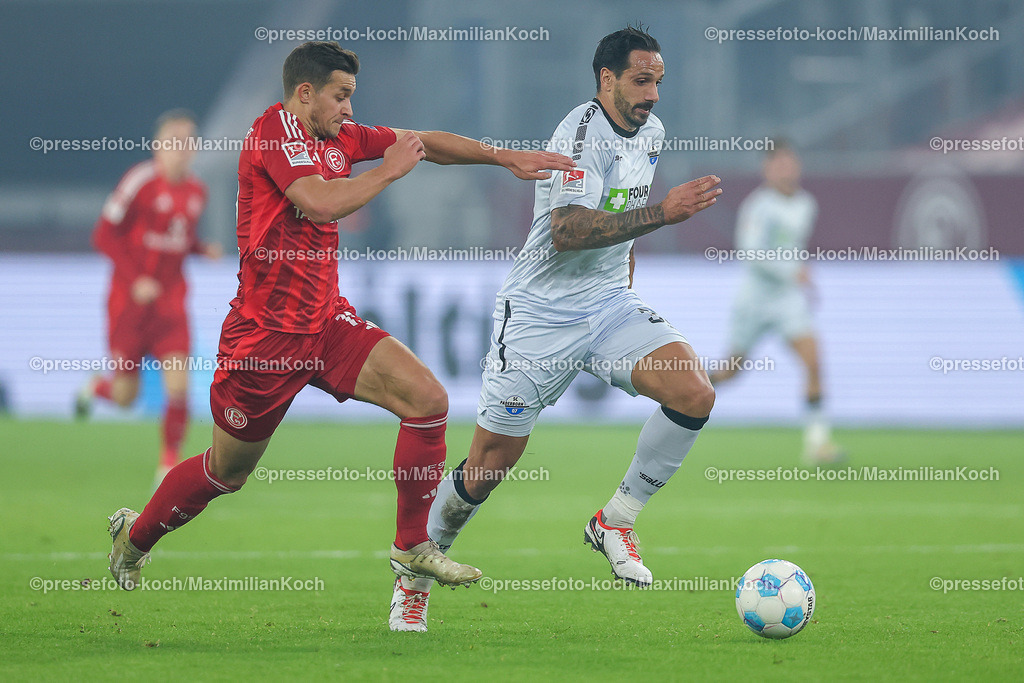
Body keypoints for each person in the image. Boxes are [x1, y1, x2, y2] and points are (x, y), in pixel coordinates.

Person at [105, 42, 574, 633]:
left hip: (325, 324)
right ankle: (137, 533)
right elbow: (321, 203)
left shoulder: (339, 136)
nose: (351, 109)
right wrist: (388, 172)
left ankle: (411, 546)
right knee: (227, 473)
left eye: (352, 96)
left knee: (427, 401)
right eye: (341, 95)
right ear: (305, 94)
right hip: (264, 343)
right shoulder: (270, 134)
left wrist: (501, 156)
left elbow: (419, 140)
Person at [399, 26, 722, 631]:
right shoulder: (579, 133)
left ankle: (616, 520)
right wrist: (665, 213)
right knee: (491, 462)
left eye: (658, 81)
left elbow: (621, 219)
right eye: (641, 81)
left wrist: (627, 274)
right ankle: (415, 577)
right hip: (541, 315)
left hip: (605, 303)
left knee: (693, 391)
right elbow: (567, 231)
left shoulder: (650, 134)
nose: (653, 94)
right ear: (607, 80)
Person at [79, 109, 221, 485]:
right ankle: (99, 387)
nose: (182, 149)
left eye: (188, 142)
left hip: (171, 305)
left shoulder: (196, 192)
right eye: (174, 142)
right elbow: (104, 235)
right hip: (128, 305)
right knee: (126, 398)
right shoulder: (139, 181)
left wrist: (200, 249)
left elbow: (179, 240)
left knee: (179, 384)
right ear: (158, 147)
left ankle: (168, 462)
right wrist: (136, 278)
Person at [707, 142, 843, 465]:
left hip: (786, 299)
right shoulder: (759, 207)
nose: (786, 169)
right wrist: (793, 271)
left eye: (790, 162)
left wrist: (799, 278)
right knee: (731, 372)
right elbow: (750, 252)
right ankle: (685, 396)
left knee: (813, 360)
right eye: (778, 163)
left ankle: (817, 444)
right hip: (755, 298)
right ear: (767, 169)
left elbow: (792, 249)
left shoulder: (806, 204)